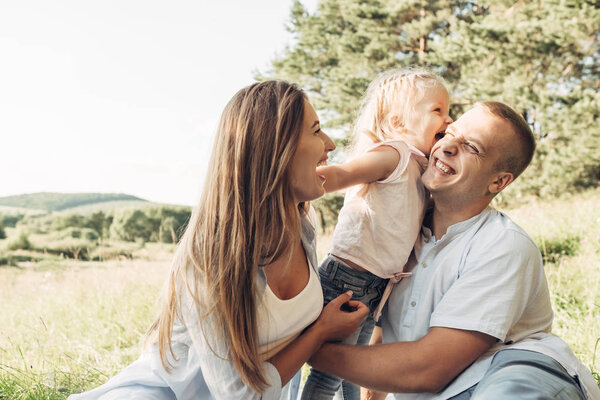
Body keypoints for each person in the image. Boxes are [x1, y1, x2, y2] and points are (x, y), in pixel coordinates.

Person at [68, 80, 369, 400]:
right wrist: (321, 331)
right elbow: (240, 396)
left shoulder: (302, 224)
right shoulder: (211, 259)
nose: (331, 144)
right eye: (316, 130)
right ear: (275, 147)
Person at [308, 102, 600, 400]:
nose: (447, 147)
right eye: (450, 134)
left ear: (499, 181)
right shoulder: (398, 241)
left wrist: (303, 347)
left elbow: (427, 369)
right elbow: (385, 344)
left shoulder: (503, 245)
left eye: (471, 146)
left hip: (517, 374)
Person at [301, 69, 452, 400]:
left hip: (377, 284)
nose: (449, 119)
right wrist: (297, 180)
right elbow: (342, 174)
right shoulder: (394, 153)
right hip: (349, 278)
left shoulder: (419, 165)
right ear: (398, 123)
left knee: (354, 367)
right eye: (438, 110)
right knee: (328, 375)